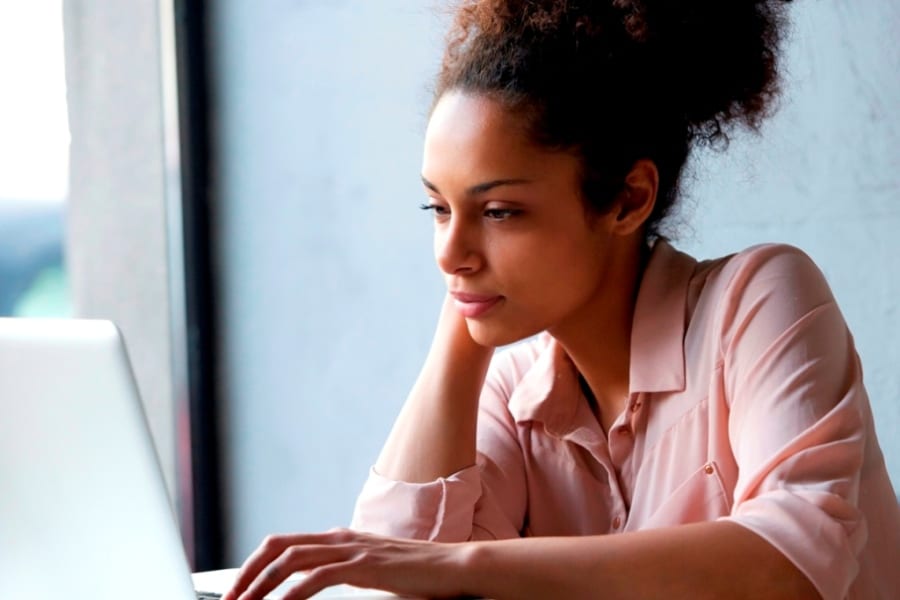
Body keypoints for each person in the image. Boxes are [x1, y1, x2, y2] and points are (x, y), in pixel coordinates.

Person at [224, 1, 900, 598]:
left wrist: (473, 564)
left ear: (629, 198)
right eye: (437, 207)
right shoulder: (514, 392)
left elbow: (796, 561)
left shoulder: (757, 300)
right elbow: (396, 580)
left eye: (499, 211)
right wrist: (464, 324)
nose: (446, 251)